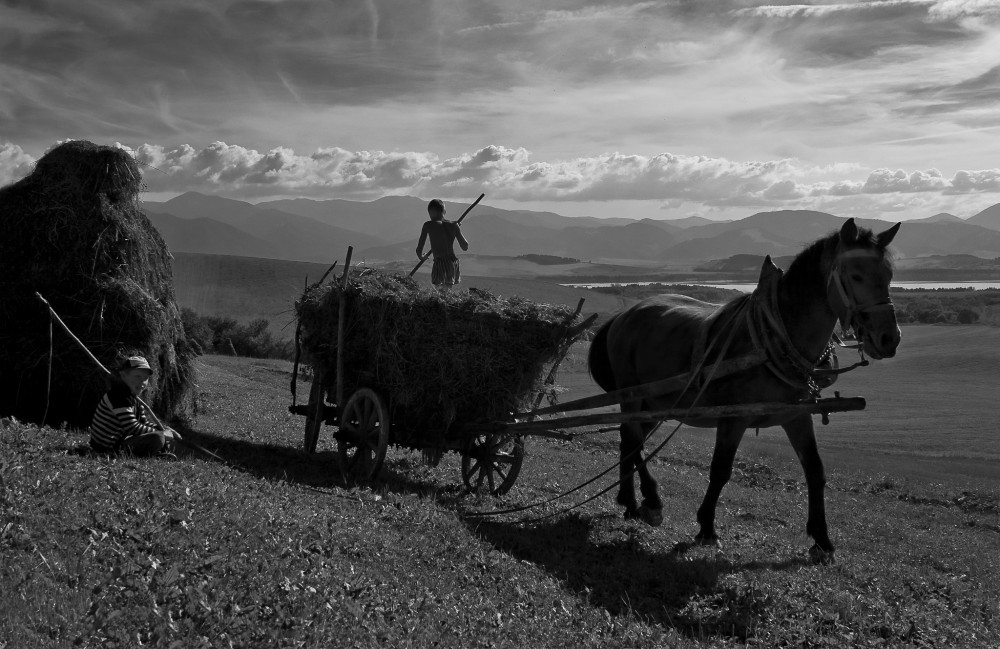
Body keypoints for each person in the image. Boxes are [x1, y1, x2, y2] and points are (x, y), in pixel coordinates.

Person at [89, 356, 180, 456]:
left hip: (118, 443)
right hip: (107, 447)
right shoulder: (118, 395)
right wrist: (163, 434)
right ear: (123, 375)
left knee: (159, 436)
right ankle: (146, 454)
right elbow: (132, 427)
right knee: (158, 438)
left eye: (145, 378)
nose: (142, 382)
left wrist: (164, 428)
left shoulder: (134, 398)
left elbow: (143, 423)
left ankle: (156, 454)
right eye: (138, 376)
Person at [416, 198, 469, 289]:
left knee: (440, 290)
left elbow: (419, 250)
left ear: (430, 212)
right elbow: (465, 246)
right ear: (444, 211)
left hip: (440, 262)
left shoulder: (428, 225)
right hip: (452, 262)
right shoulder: (453, 225)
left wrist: (422, 257)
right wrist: (456, 229)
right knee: (447, 290)